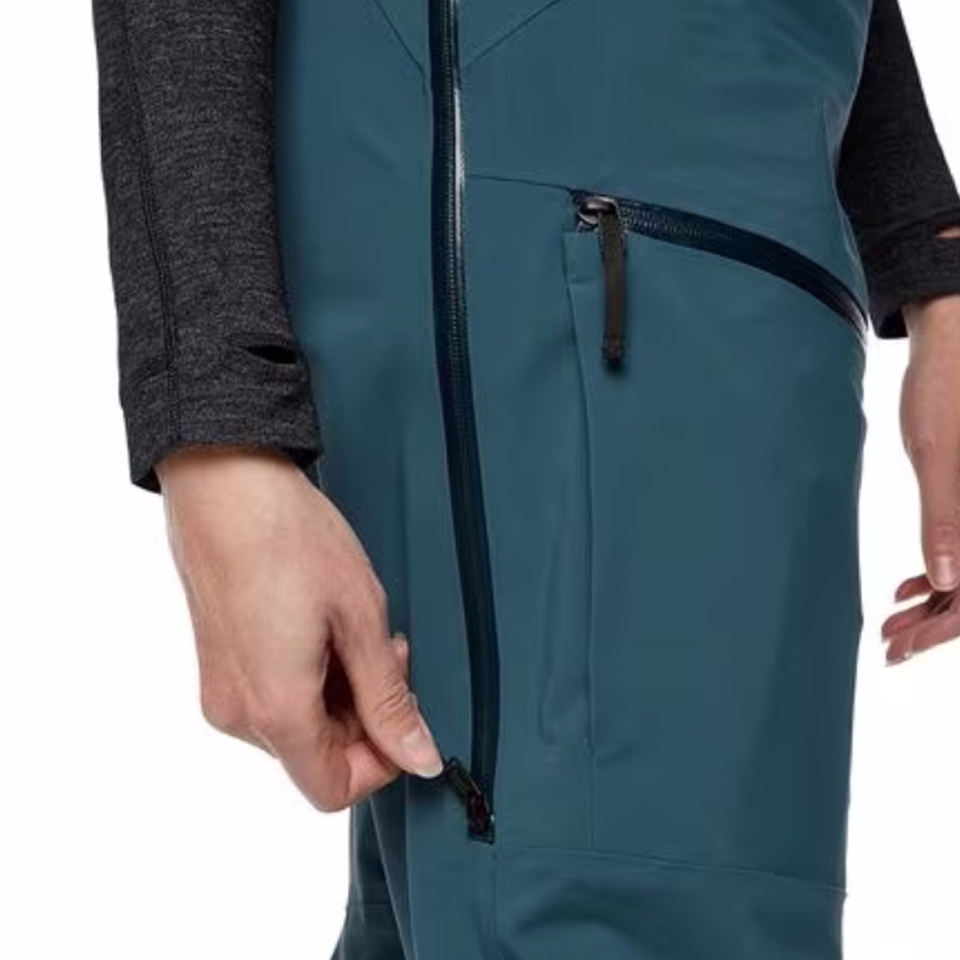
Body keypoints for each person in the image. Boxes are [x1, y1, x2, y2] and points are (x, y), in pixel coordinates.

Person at [93, 1, 960, 957]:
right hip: (554, 186)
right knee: (597, 902)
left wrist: (934, 260)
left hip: (764, 261)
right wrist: (217, 432)